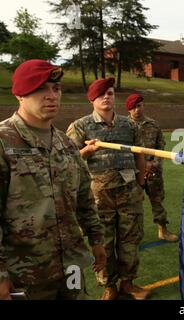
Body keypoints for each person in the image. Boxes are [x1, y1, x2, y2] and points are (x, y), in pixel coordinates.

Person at [0, 59, 106, 300]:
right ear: (20, 95)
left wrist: (97, 240)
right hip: (25, 273)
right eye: (40, 88)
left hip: (71, 265)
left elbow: (83, 198)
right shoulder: (4, 142)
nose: (51, 95)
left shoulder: (65, 143)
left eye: (56, 89)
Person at [66, 78, 148, 300]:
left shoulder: (129, 124)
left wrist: (140, 184)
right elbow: (66, 160)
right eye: (101, 94)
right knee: (103, 241)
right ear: (92, 99)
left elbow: (139, 155)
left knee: (130, 239)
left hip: (130, 192)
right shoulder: (81, 126)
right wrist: (86, 152)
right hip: (99, 197)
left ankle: (128, 283)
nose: (106, 97)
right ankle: (109, 285)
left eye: (110, 93)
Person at [125, 94, 178, 242]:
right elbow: (123, 150)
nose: (137, 109)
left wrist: (153, 164)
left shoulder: (153, 125)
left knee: (157, 201)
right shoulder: (124, 126)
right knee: (133, 204)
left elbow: (161, 145)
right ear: (128, 110)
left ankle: (163, 230)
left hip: (153, 172)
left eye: (139, 105)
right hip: (134, 172)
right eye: (133, 107)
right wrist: (139, 166)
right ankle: (133, 235)